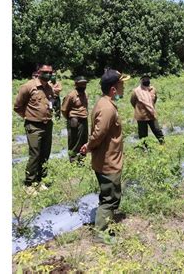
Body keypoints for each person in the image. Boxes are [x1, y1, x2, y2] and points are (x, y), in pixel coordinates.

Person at [80, 69, 130, 238]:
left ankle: (105, 224)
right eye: (121, 85)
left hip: (108, 158)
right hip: (108, 161)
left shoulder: (104, 103)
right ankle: (101, 234)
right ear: (113, 89)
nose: (124, 88)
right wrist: (89, 145)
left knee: (109, 195)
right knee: (109, 198)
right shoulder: (107, 108)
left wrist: (89, 145)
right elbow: (98, 134)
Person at [14, 64, 55, 193]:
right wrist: (28, 117)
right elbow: (18, 106)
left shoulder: (49, 88)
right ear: (39, 72)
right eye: (45, 72)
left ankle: (41, 180)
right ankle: (30, 183)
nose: (48, 74)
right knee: (35, 154)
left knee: (45, 154)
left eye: (50, 72)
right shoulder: (28, 86)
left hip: (47, 124)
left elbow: (51, 103)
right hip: (34, 126)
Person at [61, 76, 89, 163]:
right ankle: (73, 161)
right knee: (74, 142)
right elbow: (64, 109)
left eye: (84, 84)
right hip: (74, 120)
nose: (83, 86)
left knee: (84, 141)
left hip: (84, 120)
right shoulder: (71, 95)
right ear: (76, 84)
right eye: (81, 84)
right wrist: (71, 118)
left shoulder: (85, 94)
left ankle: (81, 161)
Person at [130, 75, 164, 144]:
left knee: (157, 130)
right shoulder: (136, 91)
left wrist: (150, 107)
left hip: (151, 114)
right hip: (141, 116)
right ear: (141, 81)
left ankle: (162, 143)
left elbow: (155, 99)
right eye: (144, 79)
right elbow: (132, 101)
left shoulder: (153, 89)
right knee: (143, 134)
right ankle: (144, 149)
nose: (146, 80)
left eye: (147, 78)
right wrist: (138, 108)